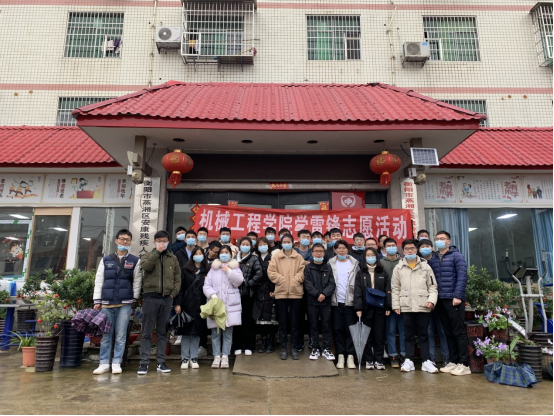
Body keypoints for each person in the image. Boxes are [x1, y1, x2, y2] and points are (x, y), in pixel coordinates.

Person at [92, 229, 142, 375]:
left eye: (127, 240)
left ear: (130, 242)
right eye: (122, 239)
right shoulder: (106, 260)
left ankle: (116, 362)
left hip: (124, 304)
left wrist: (134, 298)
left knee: (121, 335)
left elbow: (137, 281)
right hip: (106, 303)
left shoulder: (135, 261)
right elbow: (99, 280)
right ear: (116, 240)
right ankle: (103, 363)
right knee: (106, 335)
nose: (124, 242)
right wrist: (97, 300)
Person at [392, 239, 439, 374]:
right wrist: (396, 305)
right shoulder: (399, 268)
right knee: (408, 335)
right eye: (407, 249)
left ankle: (426, 361)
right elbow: (395, 288)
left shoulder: (425, 267)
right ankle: (409, 360)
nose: (410, 251)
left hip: (423, 305)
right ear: (403, 251)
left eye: (412, 248)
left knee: (424, 334)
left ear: (416, 249)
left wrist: (431, 301)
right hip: (406, 306)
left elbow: (433, 286)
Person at [138, 231, 181, 375]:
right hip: (151, 297)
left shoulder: (172, 258)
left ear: (168, 242)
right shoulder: (148, 255)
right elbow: (146, 267)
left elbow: (178, 278)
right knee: (147, 331)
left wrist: (173, 293)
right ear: (154, 242)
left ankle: (161, 362)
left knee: (163, 332)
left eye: (164, 241)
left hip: (166, 298)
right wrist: (157, 252)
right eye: (159, 241)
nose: (162, 243)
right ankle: (144, 363)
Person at [429, 231, 471, 376]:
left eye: (442, 238)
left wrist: (458, 295)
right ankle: (453, 361)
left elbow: (462, 276)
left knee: (458, 331)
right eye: (437, 239)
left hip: (453, 299)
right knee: (448, 332)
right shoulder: (433, 258)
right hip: (440, 300)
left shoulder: (456, 256)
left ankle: (464, 364)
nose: (439, 241)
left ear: (449, 241)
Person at [203, 246, 244, 369]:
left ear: (231, 255)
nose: (224, 254)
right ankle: (216, 356)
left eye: (227, 252)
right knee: (215, 333)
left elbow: (239, 281)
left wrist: (229, 271)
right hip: (216, 304)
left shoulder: (235, 267)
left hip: (230, 304)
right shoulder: (213, 269)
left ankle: (225, 356)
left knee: (227, 333)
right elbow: (206, 285)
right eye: (222, 252)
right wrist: (213, 295)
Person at [268, 234, 306, 361]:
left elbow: (303, 271)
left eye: (288, 241)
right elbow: (271, 272)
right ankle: (283, 347)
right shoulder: (276, 257)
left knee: (295, 322)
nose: (286, 244)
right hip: (281, 292)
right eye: (284, 242)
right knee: (282, 321)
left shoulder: (298, 257)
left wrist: (296, 280)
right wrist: (281, 280)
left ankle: (294, 347)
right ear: (281, 243)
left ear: (292, 242)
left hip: (296, 293)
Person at [354, 247, 390, 371]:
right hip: (365, 309)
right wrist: (358, 308)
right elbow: (357, 291)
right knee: (367, 335)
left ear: (377, 257)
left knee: (379, 335)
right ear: (364, 258)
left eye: (372, 255)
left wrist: (388, 306)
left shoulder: (383, 272)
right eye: (368, 255)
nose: (370, 257)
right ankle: (369, 360)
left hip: (380, 308)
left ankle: (379, 360)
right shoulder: (361, 273)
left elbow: (388, 290)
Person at [174, 246, 208, 370]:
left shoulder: (207, 271)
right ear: (192, 256)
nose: (198, 256)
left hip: (201, 306)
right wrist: (178, 304)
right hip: (187, 305)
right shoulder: (185, 270)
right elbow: (181, 289)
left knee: (197, 333)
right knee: (186, 333)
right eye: (196, 254)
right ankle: (184, 358)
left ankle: (194, 357)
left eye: (200, 253)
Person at [329, 240, 360, 369]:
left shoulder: (354, 263)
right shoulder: (330, 263)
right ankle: (341, 355)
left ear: (347, 249)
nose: (341, 250)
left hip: (350, 302)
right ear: (335, 250)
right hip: (336, 302)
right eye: (339, 248)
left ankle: (350, 356)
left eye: (344, 248)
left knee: (350, 329)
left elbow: (359, 283)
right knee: (338, 329)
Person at [419, 239, 450, 367]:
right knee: (429, 331)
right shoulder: (418, 263)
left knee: (442, 330)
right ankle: (431, 358)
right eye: (422, 246)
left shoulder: (438, 260)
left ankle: (446, 357)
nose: (425, 248)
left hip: (440, 301)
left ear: (432, 248)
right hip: (424, 302)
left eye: (427, 246)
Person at [304, 243, 336, 361]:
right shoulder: (308, 268)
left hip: (325, 301)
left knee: (326, 325)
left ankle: (327, 348)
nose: (318, 253)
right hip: (312, 300)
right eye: (316, 251)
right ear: (312, 253)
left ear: (324, 253)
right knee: (313, 324)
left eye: (321, 251)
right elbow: (307, 283)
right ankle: (315, 348)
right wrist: (317, 294)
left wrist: (324, 294)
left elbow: (332, 283)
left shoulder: (328, 267)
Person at [234, 237, 263, 356]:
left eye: (247, 244)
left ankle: (248, 345)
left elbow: (259, 273)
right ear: (240, 245)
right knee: (236, 321)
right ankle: (237, 345)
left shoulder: (254, 259)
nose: (245, 246)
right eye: (243, 244)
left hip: (248, 295)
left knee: (248, 320)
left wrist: (249, 283)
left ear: (251, 246)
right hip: (234, 295)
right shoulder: (234, 259)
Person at [381, 237, 405, 368]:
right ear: (384, 249)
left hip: (403, 301)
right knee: (390, 329)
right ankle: (393, 355)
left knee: (403, 329)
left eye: (393, 245)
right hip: (388, 302)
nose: (391, 248)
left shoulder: (403, 261)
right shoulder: (380, 263)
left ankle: (404, 353)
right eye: (388, 246)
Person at [253, 237, 278, 354]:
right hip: (258, 292)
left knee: (271, 320)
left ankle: (271, 341)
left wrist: (274, 289)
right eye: (260, 244)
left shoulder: (273, 257)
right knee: (261, 319)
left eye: (264, 244)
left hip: (271, 291)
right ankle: (263, 341)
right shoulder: (255, 258)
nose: (262, 246)